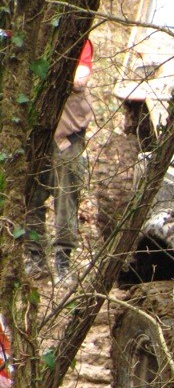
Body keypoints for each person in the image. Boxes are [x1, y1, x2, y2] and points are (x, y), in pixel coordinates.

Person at [26, 39, 94, 280]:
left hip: (68, 138)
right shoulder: (35, 32)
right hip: (35, 136)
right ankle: (35, 258)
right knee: (29, 195)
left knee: (66, 198)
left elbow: (80, 79)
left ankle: (62, 261)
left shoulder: (77, 39)